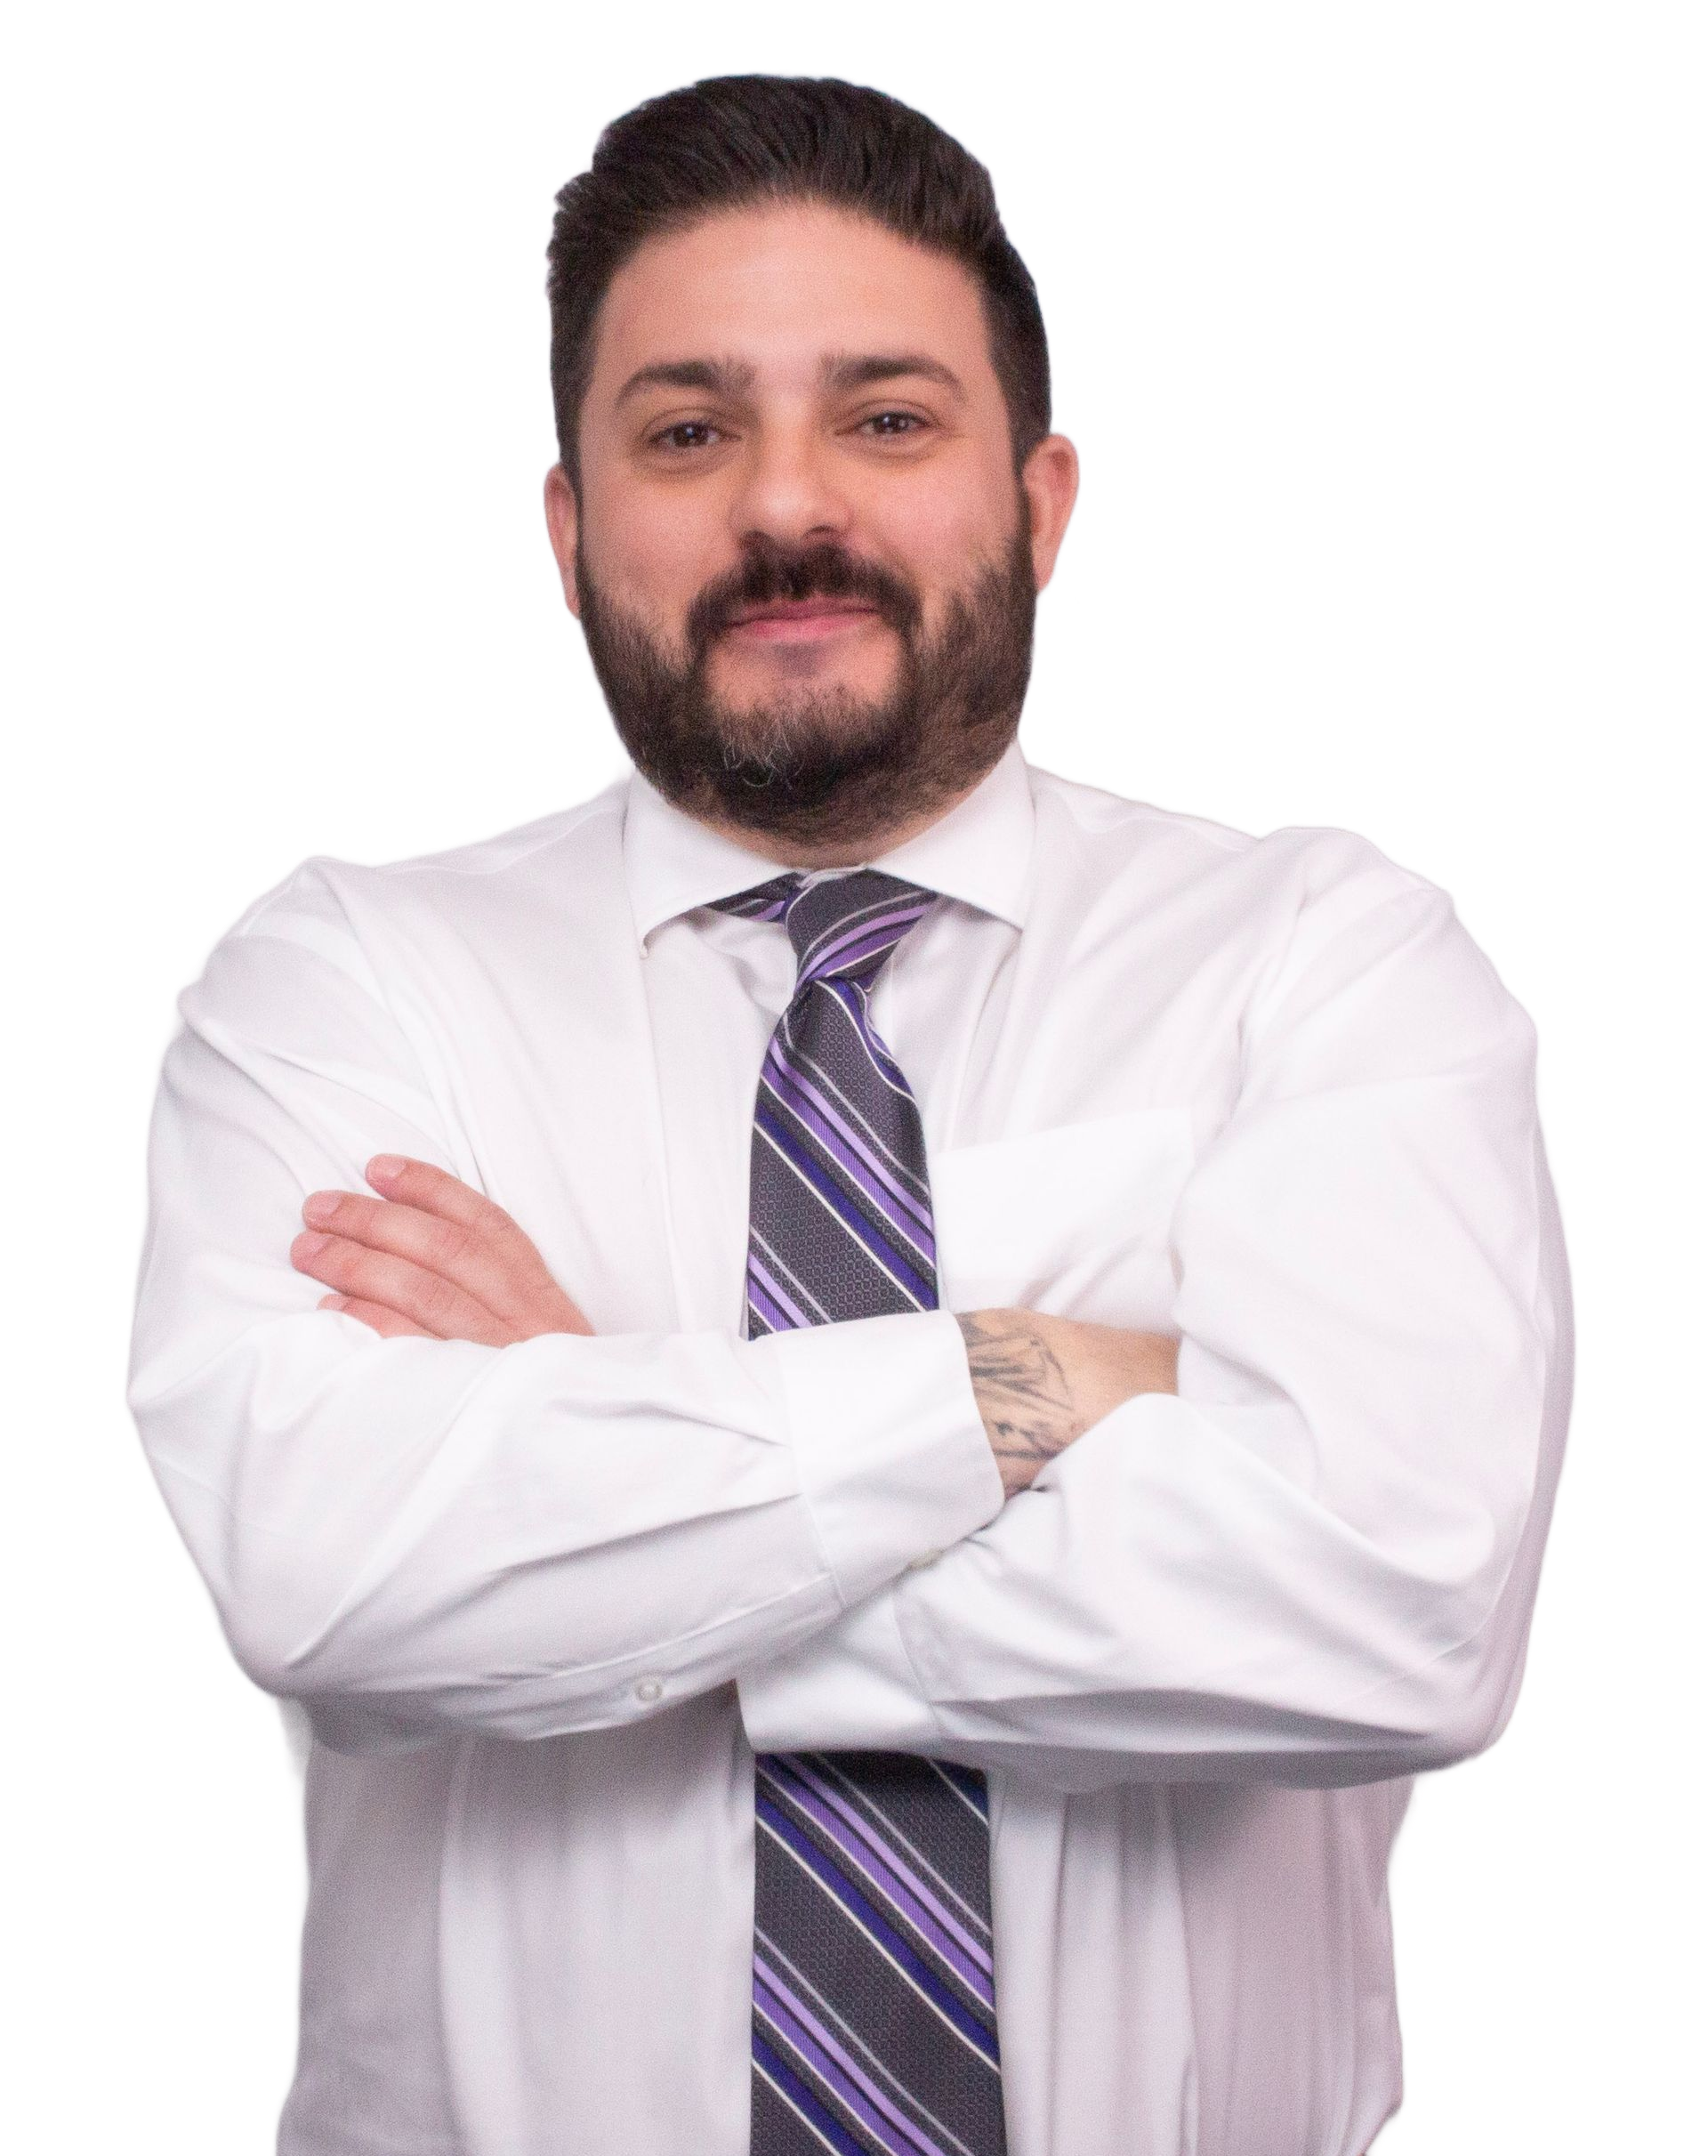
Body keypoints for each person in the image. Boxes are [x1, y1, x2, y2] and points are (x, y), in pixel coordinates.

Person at [120, 68, 1577, 2156]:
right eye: (688, 430)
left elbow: (1399, 1617)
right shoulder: (338, 978)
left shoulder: (1324, 954)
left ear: (1046, 500)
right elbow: (335, 1587)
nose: (787, 505)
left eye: (886, 419)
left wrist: (607, 1437)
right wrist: (1056, 1375)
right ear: (565, 524)